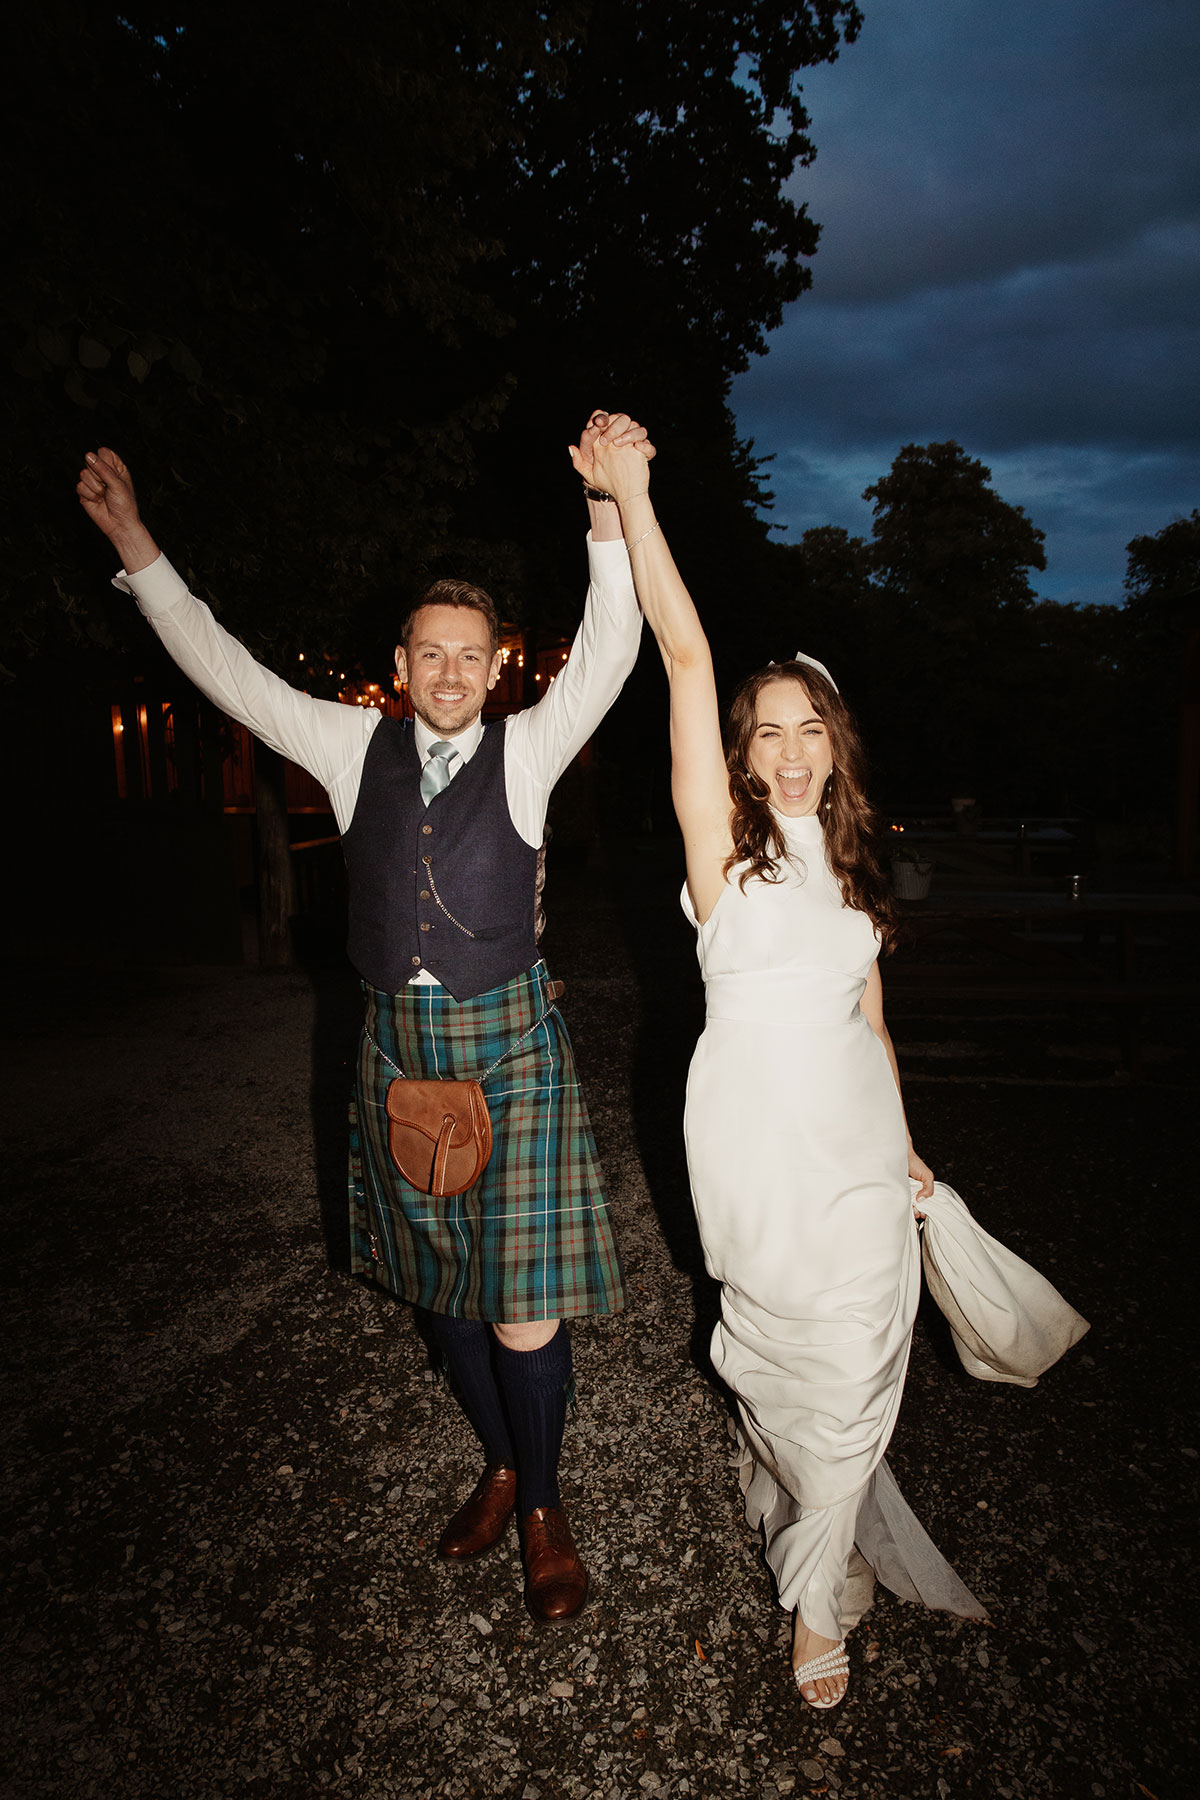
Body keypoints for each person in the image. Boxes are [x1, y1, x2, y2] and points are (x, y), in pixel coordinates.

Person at [77, 411, 654, 1627]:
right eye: (429, 653)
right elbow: (224, 666)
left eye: (470, 654)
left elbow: (612, 644)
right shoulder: (349, 747)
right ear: (402, 661)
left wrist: (607, 509)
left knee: (521, 1303)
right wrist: (138, 549)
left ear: (499, 665)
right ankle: (497, 1462)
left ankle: (542, 1504)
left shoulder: (533, 748)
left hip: (511, 1054)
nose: (450, 673)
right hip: (397, 1056)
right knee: (440, 1294)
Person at [578, 431, 1087, 1707]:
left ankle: (815, 1607)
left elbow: (874, 1026)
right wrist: (634, 497)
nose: (791, 753)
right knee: (776, 1363)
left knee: (864, 1367)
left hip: (859, 1153)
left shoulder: (858, 873)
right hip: (753, 1150)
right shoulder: (719, 862)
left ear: (834, 745)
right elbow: (685, 657)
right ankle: (801, 1505)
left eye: (811, 731)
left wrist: (906, 1148)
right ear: (740, 754)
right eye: (768, 735)